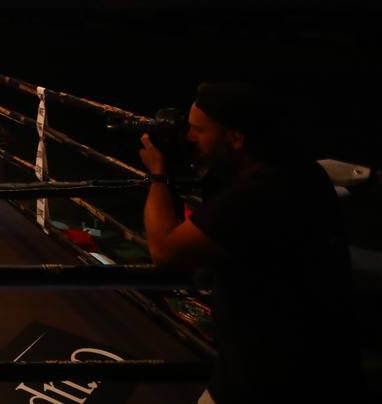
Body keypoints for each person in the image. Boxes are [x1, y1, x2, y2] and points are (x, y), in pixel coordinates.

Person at [139, 82, 365, 402]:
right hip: (318, 364)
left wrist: (159, 173)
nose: (187, 138)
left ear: (235, 138)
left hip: (268, 376)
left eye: (197, 131)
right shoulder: (299, 172)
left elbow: (164, 251)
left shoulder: (257, 197)